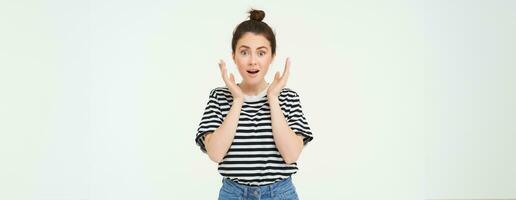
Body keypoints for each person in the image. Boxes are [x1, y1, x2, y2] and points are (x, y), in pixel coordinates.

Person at [195, 9, 313, 200]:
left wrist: (273, 98)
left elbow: (291, 155)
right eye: (244, 52)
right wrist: (237, 100)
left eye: (261, 53)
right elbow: (215, 154)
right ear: (233, 56)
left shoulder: (288, 98)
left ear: (272, 56)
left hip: (280, 193)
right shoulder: (219, 97)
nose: (252, 61)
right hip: (233, 194)